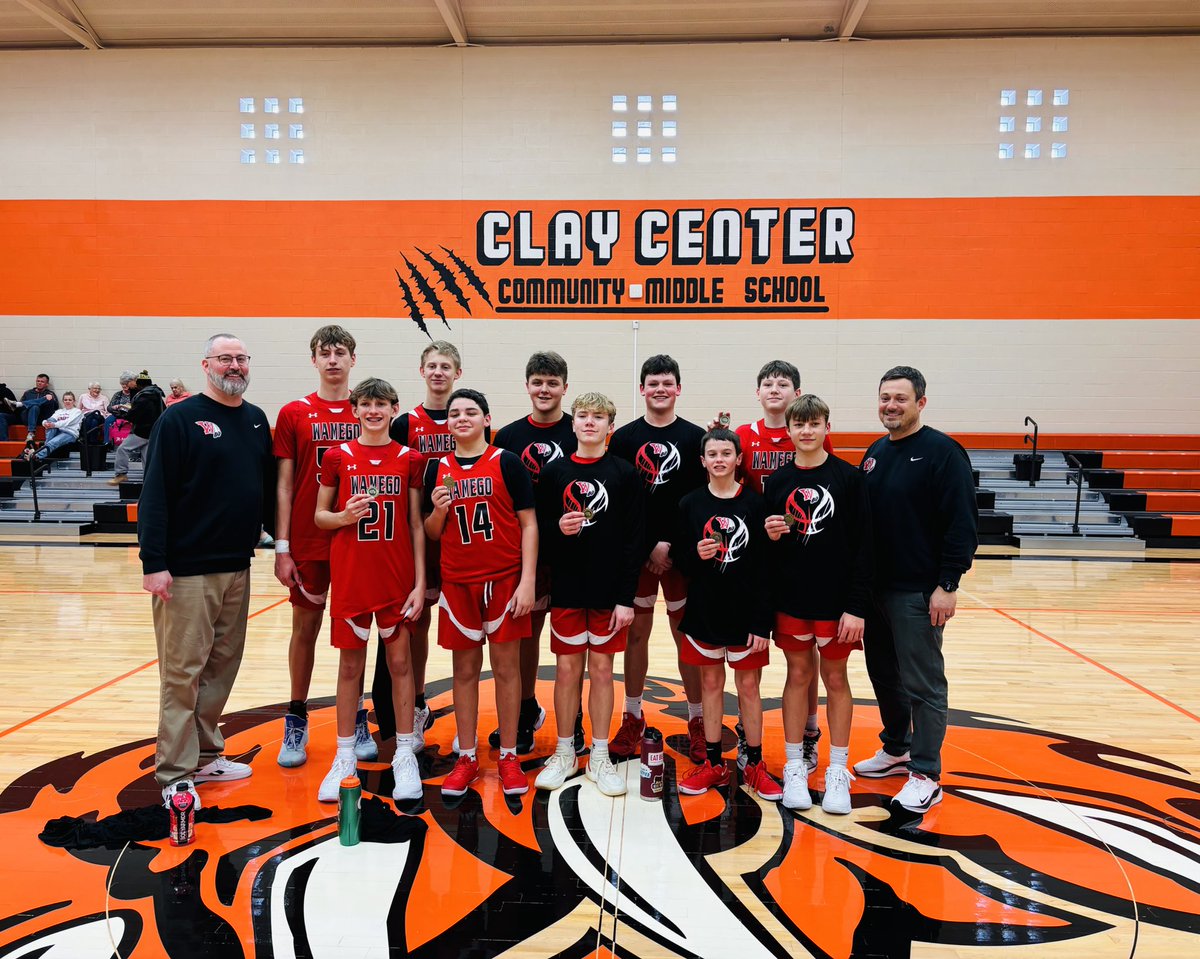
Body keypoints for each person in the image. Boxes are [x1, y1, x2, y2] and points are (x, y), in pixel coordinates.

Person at [139, 335, 274, 809]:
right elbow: (153, 493)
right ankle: (175, 772)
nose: (234, 365)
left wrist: (285, 546)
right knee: (183, 673)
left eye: (241, 358)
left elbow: (263, 488)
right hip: (186, 570)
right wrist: (153, 564)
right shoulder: (178, 419)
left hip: (237, 566)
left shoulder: (256, 420)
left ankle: (206, 754)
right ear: (206, 365)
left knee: (221, 668)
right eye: (225, 358)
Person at [854, 366, 978, 813]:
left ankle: (925, 771)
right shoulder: (875, 453)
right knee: (884, 676)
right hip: (875, 592)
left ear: (920, 403)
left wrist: (948, 584)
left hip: (917, 593)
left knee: (923, 684)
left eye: (900, 399)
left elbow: (963, 525)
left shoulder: (943, 453)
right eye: (885, 397)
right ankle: (897, 748)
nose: (890, 405)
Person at [709, 359, 834, 776]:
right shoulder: (743, 436)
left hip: (801, 551)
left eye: (783, 383)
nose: (775, 389)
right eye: (768, 383)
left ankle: (811, 731)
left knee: (805, 656)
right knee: (752, 650)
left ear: (796, 393)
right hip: (750, 552)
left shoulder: (809, 433)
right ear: (757, 392)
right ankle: (749, 731)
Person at [314, 377, 427, 803]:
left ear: (394, 408)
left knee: (400, 665)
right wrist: (343, 517)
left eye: (381, 403)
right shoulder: (337, 456)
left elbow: (416, 523)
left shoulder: (409, 458)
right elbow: (319, 516)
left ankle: (403, 753)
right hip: (351, 575)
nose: (374, 410)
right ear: (355, 409)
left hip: (396, 577)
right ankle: (344, 756)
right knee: (349, 667)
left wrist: (419, 583)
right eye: (366, 404)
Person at [424, 388, 537, 798]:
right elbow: (432, 532)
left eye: (471, 411)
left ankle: (508, 755)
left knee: (508, 669)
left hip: (505, 579)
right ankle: (467, 756)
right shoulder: (436, 469)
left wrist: (528, 581)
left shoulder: (505, 462)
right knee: (465, 671)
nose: (462, 418)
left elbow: (529, 524)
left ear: (487, 420)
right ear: (448, 423)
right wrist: (437, 509)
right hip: (458, 583)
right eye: (455, 413)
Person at [763, 395, 872, 813]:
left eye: (814, 424)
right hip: (792, 598)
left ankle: (838, 771)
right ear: (787, 430)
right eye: (799, 425)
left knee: (837, 680)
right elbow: (770, 548)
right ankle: (794, 767)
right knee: (797, 675)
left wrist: (857, 606)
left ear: (827, 426)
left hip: (837, 602)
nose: (806, 431)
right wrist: (770, 535)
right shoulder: (776, 483)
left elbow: (865, 547)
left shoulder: (849, 478)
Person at [533, 392, 645, 797]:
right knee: (566, 671)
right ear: (573, 424)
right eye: (583, 416)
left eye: (599, 417)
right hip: (566, 589)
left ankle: (599, 754)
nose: (590, 422)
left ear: (610, 426)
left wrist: (626, 597)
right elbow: (537, 530)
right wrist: (556, 529)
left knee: (601, 671)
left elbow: (635, 540)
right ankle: (565, 751)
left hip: (608, 592)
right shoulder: (553, 472)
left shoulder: (625, 474)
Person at [272, 326, 368, 768]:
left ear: (353, 360)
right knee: (304, 630)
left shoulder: (367, 409)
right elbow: (286, 485)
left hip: (359, 543)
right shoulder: (294, 412)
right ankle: (296, 716)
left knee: (358, 637)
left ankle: (358, 714)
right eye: (325, 353)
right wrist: (282, 547)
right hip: (309, 542)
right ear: (314, 360)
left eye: (340, 353)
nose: (333, 360)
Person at [672, 428, 783, 801]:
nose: (719, 459)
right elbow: (681, 563)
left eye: (726, 453)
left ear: (738, 460)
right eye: (712, 454)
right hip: (705, 611)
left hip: (746, 614)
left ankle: (754, 762)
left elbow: (768, 569)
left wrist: (761, 621)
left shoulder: (755, 504)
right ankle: (715, 764)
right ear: (702, 461)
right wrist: (696, 556)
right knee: (710, 686)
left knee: (749, 688)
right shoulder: (690, 504)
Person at [607, 355, 706, 764]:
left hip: (682, 555)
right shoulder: (625, 439)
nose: (660, 389)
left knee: (689, 637)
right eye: (653, 383)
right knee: (636, 635)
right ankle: (632, 715)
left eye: (668, 382)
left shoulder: (697, 437)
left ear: (678, 388)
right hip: (639, 555)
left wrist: (671, 546)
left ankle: (699, 720)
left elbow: (702, 504)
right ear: (642, 389)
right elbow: (621, 503)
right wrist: (649, 546)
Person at [372, 341, 465, 746]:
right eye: (432, 365)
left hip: (463, 537)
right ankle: (418, 701)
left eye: (446, 366)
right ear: (422, 371)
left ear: (457, 373)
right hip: (417, 535)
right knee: (417, 622)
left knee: (464, 626)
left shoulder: (467, 417)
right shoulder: (405, 423)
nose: (439, 372)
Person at [490, 350, 578, 753]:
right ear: (527, 386)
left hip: (575, 551)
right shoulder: (508, 436)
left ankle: (572, 720)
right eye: (538, 382)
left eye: (552, 382)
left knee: (573, 642)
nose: (545, 389)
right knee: (526, 637)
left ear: (564, 387)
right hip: (524, 552)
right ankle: (526, 710)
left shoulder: (579, 430)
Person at [109, 371, 165, 485]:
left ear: (133, 382)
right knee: (146, 458)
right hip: (153, 430)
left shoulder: (144, 396)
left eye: (126, 384)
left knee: (122, 449)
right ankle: (149, 482)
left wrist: (119, 413)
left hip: (142, 430)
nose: (126, 387)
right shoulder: (154, 392)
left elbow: (134, 414)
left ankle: (121, 474)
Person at [24, 391, 83, 463]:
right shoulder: (59, 411)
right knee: (51, 421)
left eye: (70, 400)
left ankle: (36, 455)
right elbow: (49, 420)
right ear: (63, 401)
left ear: (74, 401)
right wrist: (45, 423)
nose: (67, 401)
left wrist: (53, 425)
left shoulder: (77, 411)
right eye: (65, 400)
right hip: (57, 431)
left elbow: (67, 423)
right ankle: (42, 448)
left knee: (53, 442)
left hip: (69, 434)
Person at [2, 373, 58, 442]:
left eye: (42, 381)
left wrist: (47, 398)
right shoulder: (28, 393)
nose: (39, 383)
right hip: (28, 418)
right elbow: (20, 410)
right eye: (38, 381)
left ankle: (18, 404)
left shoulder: (50, 393)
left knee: (41, 402)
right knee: (34, 406)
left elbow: (56, 406)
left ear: (47, 384)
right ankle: (4, 442)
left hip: (42, 419)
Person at [104, 372, 136, 446]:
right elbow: (109, 408)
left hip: (130, 415)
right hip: (118, 414)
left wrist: (125, 406)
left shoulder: (135, 394)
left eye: (125, 384)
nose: (124, 386)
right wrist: (114, 407)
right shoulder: (118, 394)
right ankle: (107, 442)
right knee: (108, 420)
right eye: (122, 385)